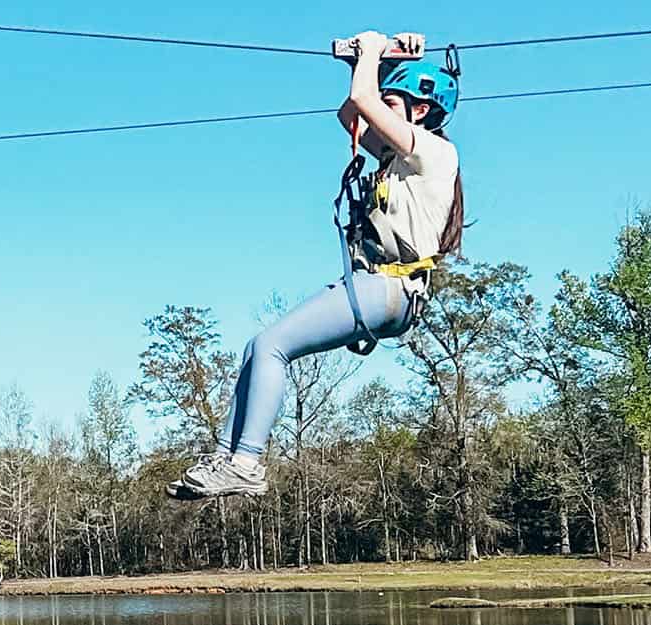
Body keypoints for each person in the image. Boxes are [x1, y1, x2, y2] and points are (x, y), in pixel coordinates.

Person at [169, 31, 462, 499]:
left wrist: (370, 51)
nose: (379, 110)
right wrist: (362, 65)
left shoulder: (433, 151)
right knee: (255, 348)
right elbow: (351, 112)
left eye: (392, 102)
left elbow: (363, 100)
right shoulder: (393, 156)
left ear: (420, 110)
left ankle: (247, 462)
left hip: (390, 287)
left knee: (272, 347)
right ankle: (227, 457)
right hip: (381, 288)